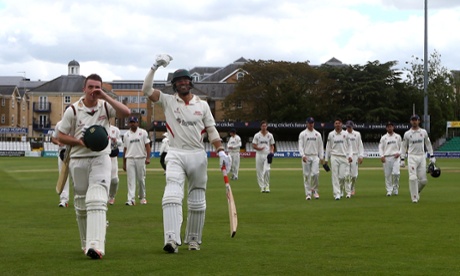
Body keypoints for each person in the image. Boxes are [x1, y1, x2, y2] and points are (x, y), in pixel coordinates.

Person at [141, 54, 230, 253]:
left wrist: (221, 151)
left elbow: (212, 130)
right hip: (175, 153)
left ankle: (193, 240)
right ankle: (171, 239)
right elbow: (146, 90)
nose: (182, 83)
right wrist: (154, 66)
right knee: (171, 195)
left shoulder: (203, 105)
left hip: (198, 155)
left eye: (185, 80)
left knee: (197, 201)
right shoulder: (168, 101)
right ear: (175, 85)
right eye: (179, 81)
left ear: (190, 83)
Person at [57, 73, 131, 259]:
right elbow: (60, 136)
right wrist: (79, 142)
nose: (93, 91)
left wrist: (105, 95)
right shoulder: (73, 110)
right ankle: (85, 243)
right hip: (78, 159)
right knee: (81, 203)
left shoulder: (105, 105)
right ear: (84, 89)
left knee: (97, 198)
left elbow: (126, 113)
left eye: (97, 87)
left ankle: (96, 246)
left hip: (101, 157)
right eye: (90, 87)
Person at [400, 114, 435, 203]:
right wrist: (402, 159)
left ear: (419, 121)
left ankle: (416, 191)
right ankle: (414, 197)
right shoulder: (407, 134)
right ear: (410, 121)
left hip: (422, 156)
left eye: (416, 120)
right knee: (412, 178)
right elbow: (404, 146)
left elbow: (428, 144)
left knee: (423, 181)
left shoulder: (423, 132)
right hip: (412, 157)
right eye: (413, 120)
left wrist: (432, 155)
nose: (414, 121)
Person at [122, 116, 151, 206]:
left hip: (140, 158)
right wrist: (124, 163)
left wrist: (148, 157)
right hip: (130, 159)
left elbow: (147, 146)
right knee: (131, 180)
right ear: (129, 123)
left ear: (137, 123)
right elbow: (125, 149)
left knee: (141, 179)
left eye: (134, 122)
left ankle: (142, 197)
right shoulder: (126, 135)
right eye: (131, 122)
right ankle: (131, 199)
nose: (132, 123)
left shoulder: (143, 132)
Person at [324, 118, 353, 200]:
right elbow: (328, 147)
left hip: (344, 157)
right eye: (336, 123)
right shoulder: (331, 134)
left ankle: (341, 190)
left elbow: (350, 146)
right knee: (334, 176)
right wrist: (326, 158)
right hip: (334, 156)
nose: (337, 125)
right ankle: (337, 193)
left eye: (339, 123)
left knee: (342, 176)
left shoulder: (346, 134)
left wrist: (350, 155)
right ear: (334, 125)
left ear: (341, 124)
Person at [298, 117, 324, 200]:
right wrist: (303, 155)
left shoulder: (318, 134)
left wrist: (321, 157)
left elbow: (320, 147)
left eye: (312, 123)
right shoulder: (303, 134)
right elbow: (300, 146)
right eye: (309, 123)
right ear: (306, 123)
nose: (311, 124)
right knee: (306, 175)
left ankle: (315, 190)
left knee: (315, 174)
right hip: (306, 156)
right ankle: (308, 194)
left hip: (315, 156)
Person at [378, 121, 403, 196]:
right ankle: (389, 190)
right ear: (386, 128)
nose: (389, 128)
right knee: (387, 175)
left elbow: (402, 147)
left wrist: (399, 153)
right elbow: (380, 147)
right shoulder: (383, 138)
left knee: (396, 173)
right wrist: (381, 156)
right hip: (387, 157)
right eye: (388, 126)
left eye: (391, 126)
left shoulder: (397, 136)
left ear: (393, 127)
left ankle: (395, 188)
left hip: (395, 157)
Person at [252, 120, 275, 193]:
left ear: (267, 126)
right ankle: (262, 187)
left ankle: (267, 186)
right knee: (259, 171)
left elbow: (272, 145)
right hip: (259, 154)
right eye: (263, 126)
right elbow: (254, 146)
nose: (264, 127)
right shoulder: (257, 135)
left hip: (267, 154)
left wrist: (271, 152)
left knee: (267, 170)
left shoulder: (270, 135)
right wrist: (259, 148)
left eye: (265, 126)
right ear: (260, 127)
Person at [51, 120, 70, 207]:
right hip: (63, 153)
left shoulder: (78, 122)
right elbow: (53, 138)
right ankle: (64, 200)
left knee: (78, 177)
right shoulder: (59, 124)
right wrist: (58, 142)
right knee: (63, 177)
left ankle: (81, 199)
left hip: (75, 153)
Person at [345, 120, 364, 196]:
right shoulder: (344, 134)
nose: (348, 128)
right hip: (346, 156)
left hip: (355, 155)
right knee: (346, 174)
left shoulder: (357, 134)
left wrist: (361, 156)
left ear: (352, 126)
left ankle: (352, 187)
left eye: (350, 127)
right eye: (347, 127)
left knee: (354, 175)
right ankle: (348, 190)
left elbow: (360, 145)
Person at [108, 124, 122, 205]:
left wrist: (115, 140)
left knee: (114, 179)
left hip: (112, 156)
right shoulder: (99, 126)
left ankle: (112, 196)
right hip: (102, 156)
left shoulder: (115, 129)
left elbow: (120, 142)